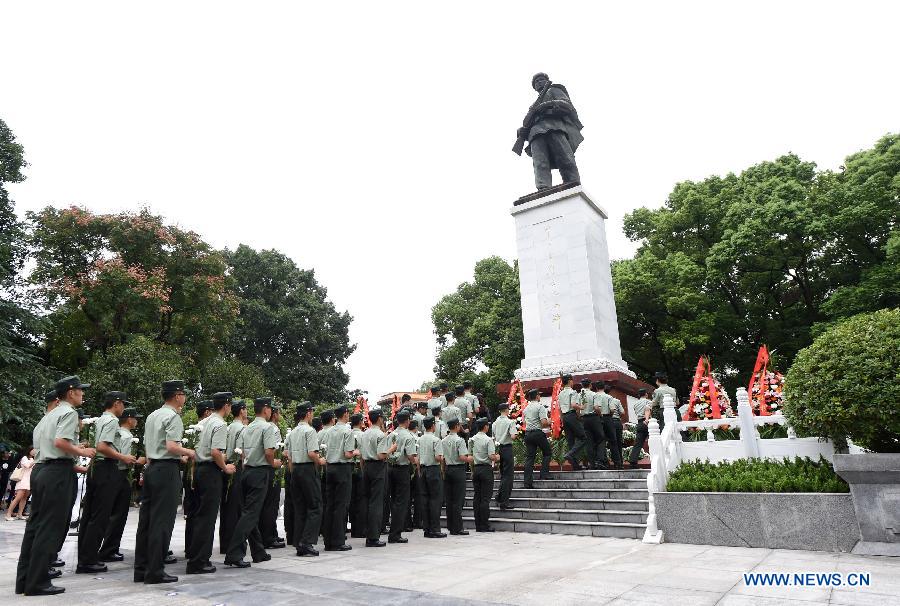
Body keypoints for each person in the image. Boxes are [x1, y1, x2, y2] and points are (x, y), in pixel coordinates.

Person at [16, 375, 95, 597]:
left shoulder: (48, 416)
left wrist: (72, 448)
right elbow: (60, 443)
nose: (83, 394)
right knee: (49, 527)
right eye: (80, 390)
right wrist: (82, 451)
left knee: (35, 527)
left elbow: (49, 445)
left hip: (42, 471)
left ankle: (25, 580)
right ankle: (39, 581)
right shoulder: (68, 413)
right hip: (57, 473)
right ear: (70, 392)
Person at [133, 380, 193, 585]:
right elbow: (171, 446)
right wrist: (189, 452)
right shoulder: (173, 416)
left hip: (152, 468)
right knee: (162, 522)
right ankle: (155, 571)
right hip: (166, 470)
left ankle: (141, 569)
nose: (184, 398)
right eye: (183, 394)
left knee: (146, 521)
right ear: (177, 396)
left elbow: (152, 447)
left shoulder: (152, 416)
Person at [78, 391, 134, 573]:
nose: (123, 408)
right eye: (123, 404)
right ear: (116, 403)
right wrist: (123, 457)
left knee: (89, 515)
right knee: (100, 516)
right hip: (106, 467)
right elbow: (103, 446)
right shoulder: (111, 421)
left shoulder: (100, 420)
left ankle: (85, 557)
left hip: (97, 468)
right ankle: (89, 560)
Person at [225, 397, 280, 567]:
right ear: (265, 410)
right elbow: (269, 452)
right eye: (270, 408)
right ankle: (234, 554)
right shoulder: (267, 427)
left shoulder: (246, 428)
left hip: (247, 471)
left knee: (250, 513)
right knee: (250, 514)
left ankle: (258, 551)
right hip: (260, 471)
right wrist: (274, 463)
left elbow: (241, 453)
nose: (271, 411)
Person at [186, 392, 236, 574]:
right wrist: (225, 467)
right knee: (207, 517)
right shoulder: (220, 424)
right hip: (210, 471)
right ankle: (199, 561)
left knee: (199, 515)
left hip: (199, 469)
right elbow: (216, 452)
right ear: (227, 406)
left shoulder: (202, 423)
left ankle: (195, 556)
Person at [513, 72, 584, 190]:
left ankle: (573, 183)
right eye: (536, 82)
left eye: (541, 80)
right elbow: (526, 123)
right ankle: (543, 188)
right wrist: (522, 131)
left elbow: (567, 105)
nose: (539, 82)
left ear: (547, 81)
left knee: (565, 158)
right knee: (540, 163)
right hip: (535, 133)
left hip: (554, 126)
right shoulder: (533, 105)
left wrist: (548, 104)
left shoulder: (554, 90)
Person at [98, 406, 145, 563]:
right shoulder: (126, 436)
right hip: (120, 474)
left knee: (114, 514)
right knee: (118, 515)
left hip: (116, 475)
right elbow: (123, 458)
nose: (137, 421)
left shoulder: (122, 433)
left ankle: (109, 548)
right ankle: (110, 549)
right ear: (129, 419)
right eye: (135, 418)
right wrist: (138, 461)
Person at [284, 403, 322, 557]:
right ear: (308, 413)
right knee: (315, 506)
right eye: (312, 412)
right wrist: (320, 462)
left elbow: (289, 457)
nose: (312, 415)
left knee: (300, 508)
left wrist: (293, 473)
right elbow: (312, 453)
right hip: (307, 469)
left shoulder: (292, 433)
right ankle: (306, 542)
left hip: (296, 470)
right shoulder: (309, 430)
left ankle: (299, 542)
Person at [322, 405, 357, 551]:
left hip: (330, 468)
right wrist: (356, 452)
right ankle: (337, 541)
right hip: (343, 469)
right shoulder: (347, 431)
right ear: (346, 414)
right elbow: (348, 454)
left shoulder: (329, 431)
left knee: (330, 504)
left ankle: (328, 540)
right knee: (341, 505)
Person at [359, 409, 395, 547]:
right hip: (378, 467)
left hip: (367, 466)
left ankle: (368, 533)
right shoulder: (380, 434)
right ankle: (373, 536)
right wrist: (392, 448)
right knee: (377, 502)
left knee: (368, 501)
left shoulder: (365, 433)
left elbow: (362, 456)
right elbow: (381, 455)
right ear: (379, 419)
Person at [183, 400, 213, 555]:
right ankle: (194, 548)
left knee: (192, 510)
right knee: (198, 511)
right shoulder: (202, 430)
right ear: (207, 412)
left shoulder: (193, 430)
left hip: (192, 473)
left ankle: (190, 547)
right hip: (196, 472)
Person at [219, 399, 248, 555]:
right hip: (236, 467)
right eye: (245, 409)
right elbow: (242, 451)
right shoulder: (242, 429)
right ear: (242, 411)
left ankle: (225, 542)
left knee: (226, 507)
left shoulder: (228, 427)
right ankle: (233, 544)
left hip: (225, 465)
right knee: (236, 509)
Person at [387, 411, 417, 544]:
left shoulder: (391, 434)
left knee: (394, 500)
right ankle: (395, 534)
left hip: (390, 468)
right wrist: (416, 461)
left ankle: (393, 530)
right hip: (402, 470)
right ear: (408, 421)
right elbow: (410, 456)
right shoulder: (408, 436)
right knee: (401, 502)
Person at [258, 404, 284, 550]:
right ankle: (268, 537)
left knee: (269, 504)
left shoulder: (268, 427)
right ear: (274, 414)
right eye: (278, 412)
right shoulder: (272, 428)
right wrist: (275, 462)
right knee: (271, 504)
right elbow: (271, 450)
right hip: (271, 467)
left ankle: (271, 533)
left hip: (266, 467)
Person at [441, 419, 471, 536]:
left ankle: (450, 526)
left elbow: (442, 458)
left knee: (449, 499)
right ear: (457, 426)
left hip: (448, 469)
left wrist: (443, 471)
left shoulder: (443, 440)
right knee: (458, 500)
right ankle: (458, 528)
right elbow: (462, 457)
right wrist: (472, 459)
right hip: (458, 470)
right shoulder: (460, 440)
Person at [469, 418, 499, 532]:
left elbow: (470, 456)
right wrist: (497, 457)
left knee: (477, 497)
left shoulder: (472, 439)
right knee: (485, 499)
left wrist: (472, 471)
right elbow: (491, 456)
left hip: (476, 469)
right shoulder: (488, 439)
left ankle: (478, 524)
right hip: (486, 470)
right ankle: (484, 525)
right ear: (486, 427)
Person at [417, 417, 445, 538]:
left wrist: (419, 471)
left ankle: (426, 529)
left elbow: (417, 458)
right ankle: (435, 529)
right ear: (433, 426)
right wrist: (443, 459)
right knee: (435, 500)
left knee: (425, 500)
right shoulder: (436, 439)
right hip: (433, 470)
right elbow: (438, 457)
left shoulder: (420, 439)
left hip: (422, 470)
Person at [522, 388, 551, 489]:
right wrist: (550, 421)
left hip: (528, 434)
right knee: (547, 452)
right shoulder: (540, 407)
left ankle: (527, 482)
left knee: (530, 458)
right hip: (537, 433)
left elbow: (524, 423)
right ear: (537, 396)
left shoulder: (525, 409)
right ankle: (544, 474)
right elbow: (543, 423)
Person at [491, 403, 517, 510]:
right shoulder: (510, 422)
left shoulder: (494, 423)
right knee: (508, 476)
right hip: (507, 448)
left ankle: (500, 496)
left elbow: (493, 437)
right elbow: (513, 436)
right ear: (506, 410)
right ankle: (504, 501)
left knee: (503, 474)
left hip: (498, 449)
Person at [559, 376, 586, 470]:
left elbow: (559, 409)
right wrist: (582, 408)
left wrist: (562, 420)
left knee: (571, 441)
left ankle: (575, 466)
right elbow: (574, 405)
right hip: (571, 415)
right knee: (583, 437)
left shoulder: (561, 393)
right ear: (570, 381)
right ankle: (570, 454)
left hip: (565, 417)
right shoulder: (573, 392)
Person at [582, 380, 607, 469]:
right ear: (590, 385)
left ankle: (591, 463)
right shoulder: (594, 394)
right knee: (600, 438)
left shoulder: (578, 395)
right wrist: (601, 415)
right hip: (594, 417)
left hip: (583, 418)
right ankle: (600, 460)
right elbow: (596, 407)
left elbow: (576, 409)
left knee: (589, 442)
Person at [348, 413, 365, 538]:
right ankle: (358, 529)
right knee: (360, 498)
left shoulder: (348, 433)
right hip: (359, 467)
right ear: (360, 422)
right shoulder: (362, 435)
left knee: (349, 499)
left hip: (348, 467)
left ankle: (348, 525)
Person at [6, 448, 34, 521]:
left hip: (29, 481)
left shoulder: (32, 459)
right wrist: (36, 460)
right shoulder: (24, 458)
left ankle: (20, 514)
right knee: (18, 498)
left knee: (24, 498)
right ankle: (8, 514)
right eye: (33, 450)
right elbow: (28, 466)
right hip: (22, 480)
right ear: (29, 450)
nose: (35, 451)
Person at [629, 389, 652, 468]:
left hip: (639, 423)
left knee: (638, 444)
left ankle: (632, 461)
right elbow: (647, 409)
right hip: (648, 422)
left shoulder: (635, 404)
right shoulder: (648, 401)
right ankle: (654, 460)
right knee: (652, 441)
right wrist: (647, 419)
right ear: (646, 394)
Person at [604, 383, 624, 469]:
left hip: (606, 421)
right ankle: (619, 462)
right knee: (618, 442)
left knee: (606, 443)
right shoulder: (616, 400)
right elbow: (623, 412)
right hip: (616, 421)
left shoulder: (599, 399)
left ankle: (606, 462)